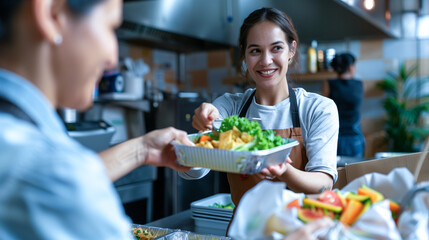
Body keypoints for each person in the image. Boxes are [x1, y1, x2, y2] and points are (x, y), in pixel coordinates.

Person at [0, 0, 194, 239]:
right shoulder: (53, 172)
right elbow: (62, 179)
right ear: (52, 14)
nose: (113, 58)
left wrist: (141, 149)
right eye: (110, 26)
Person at [180, 7, 339, 229]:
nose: (266, 61)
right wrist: (200, 134)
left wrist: (285, 171)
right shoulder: (230, 106)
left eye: (276, 48)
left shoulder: (317, 109)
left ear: (291, 50)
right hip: (243, 232)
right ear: (244, 54)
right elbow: (196, 170)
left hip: (300, 232)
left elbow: (323, 185)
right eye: (255, 51)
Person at [321, 53, 365, 158]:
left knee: (336, 172)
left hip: (334, 137)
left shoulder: (328, 84)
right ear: (350, 67)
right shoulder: (360, 84)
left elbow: (323, 108)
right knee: (356, 172)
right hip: (355, 137)